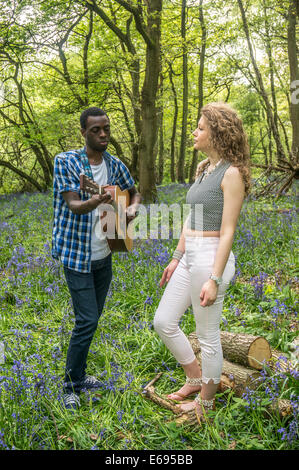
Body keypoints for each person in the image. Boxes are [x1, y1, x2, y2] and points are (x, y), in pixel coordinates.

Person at [153, 102, 250, 423]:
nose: (194, 132)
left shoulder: (231, 173)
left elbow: (228, 231)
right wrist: (176, 257)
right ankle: (194, 378)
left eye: (200, 128)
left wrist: (214, 277)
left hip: (211, 258)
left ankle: (205, 404)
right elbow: (190, 219)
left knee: (207, 335)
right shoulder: (203, 169)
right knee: (164, 321)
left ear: (218, 134)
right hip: (190, 254)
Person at [52, 107, 141, 411]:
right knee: (87, 320)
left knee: (92, 320)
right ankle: (71, 386)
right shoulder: (66, 162)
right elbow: (74, 204)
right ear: (83, 133)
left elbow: (134, 192)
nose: (103, 135)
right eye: (95, 130)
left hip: (105, 252)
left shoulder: (114, 164)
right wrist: (96, 200)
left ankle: (79, 375)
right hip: (76, 254)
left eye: (106, 128)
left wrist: (131, 209)